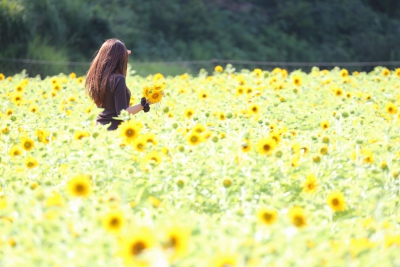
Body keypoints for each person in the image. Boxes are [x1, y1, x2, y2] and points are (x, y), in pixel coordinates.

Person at [85, 38, 150, 131]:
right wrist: (145, 104)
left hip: (99, 129)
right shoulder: (118, 79)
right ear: (121, 59)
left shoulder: (97, 77)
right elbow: (122, 113)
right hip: (113, 131)